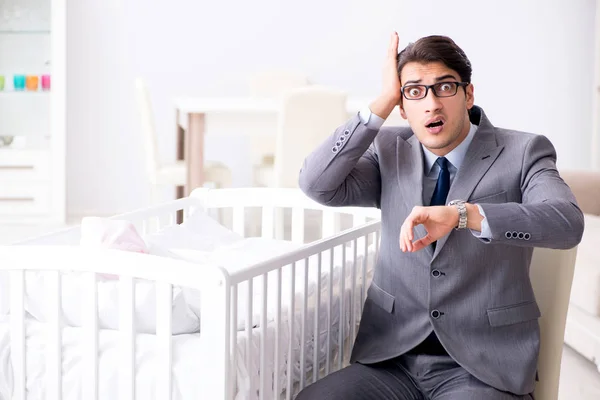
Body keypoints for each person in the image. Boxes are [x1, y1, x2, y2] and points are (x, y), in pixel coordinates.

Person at [295, 33, 584, 400]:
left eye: (444, 87)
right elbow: (316, 184)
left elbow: (566, 222)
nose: (431, 104)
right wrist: (379, 105)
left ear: (469, 94)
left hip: (482, 369)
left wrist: (464, 215)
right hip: (391, 360)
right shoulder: (388, 150)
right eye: (414, 91)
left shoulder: (524, 151)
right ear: (403, 106)